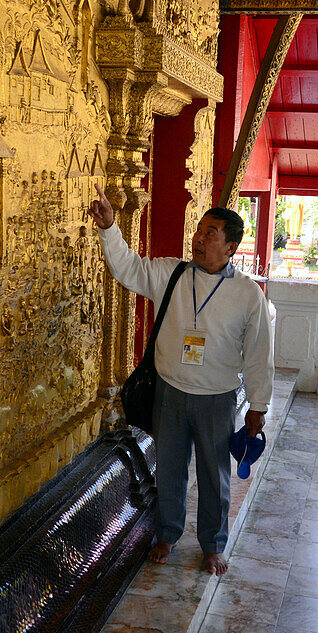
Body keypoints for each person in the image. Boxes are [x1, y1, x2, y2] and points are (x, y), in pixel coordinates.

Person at [87, 188, 273, 576]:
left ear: (231, 247)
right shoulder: (171, 273)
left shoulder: (246, 294)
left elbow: (258, 354)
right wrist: (109, 228)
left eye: (211, 234)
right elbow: (128, 268)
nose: (200, 239)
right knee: (169, 469)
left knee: (213, 474)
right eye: (199, 230)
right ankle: (167, 534)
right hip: (170, 391)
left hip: (216, 398)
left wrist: (258, 405)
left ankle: (213, 544)